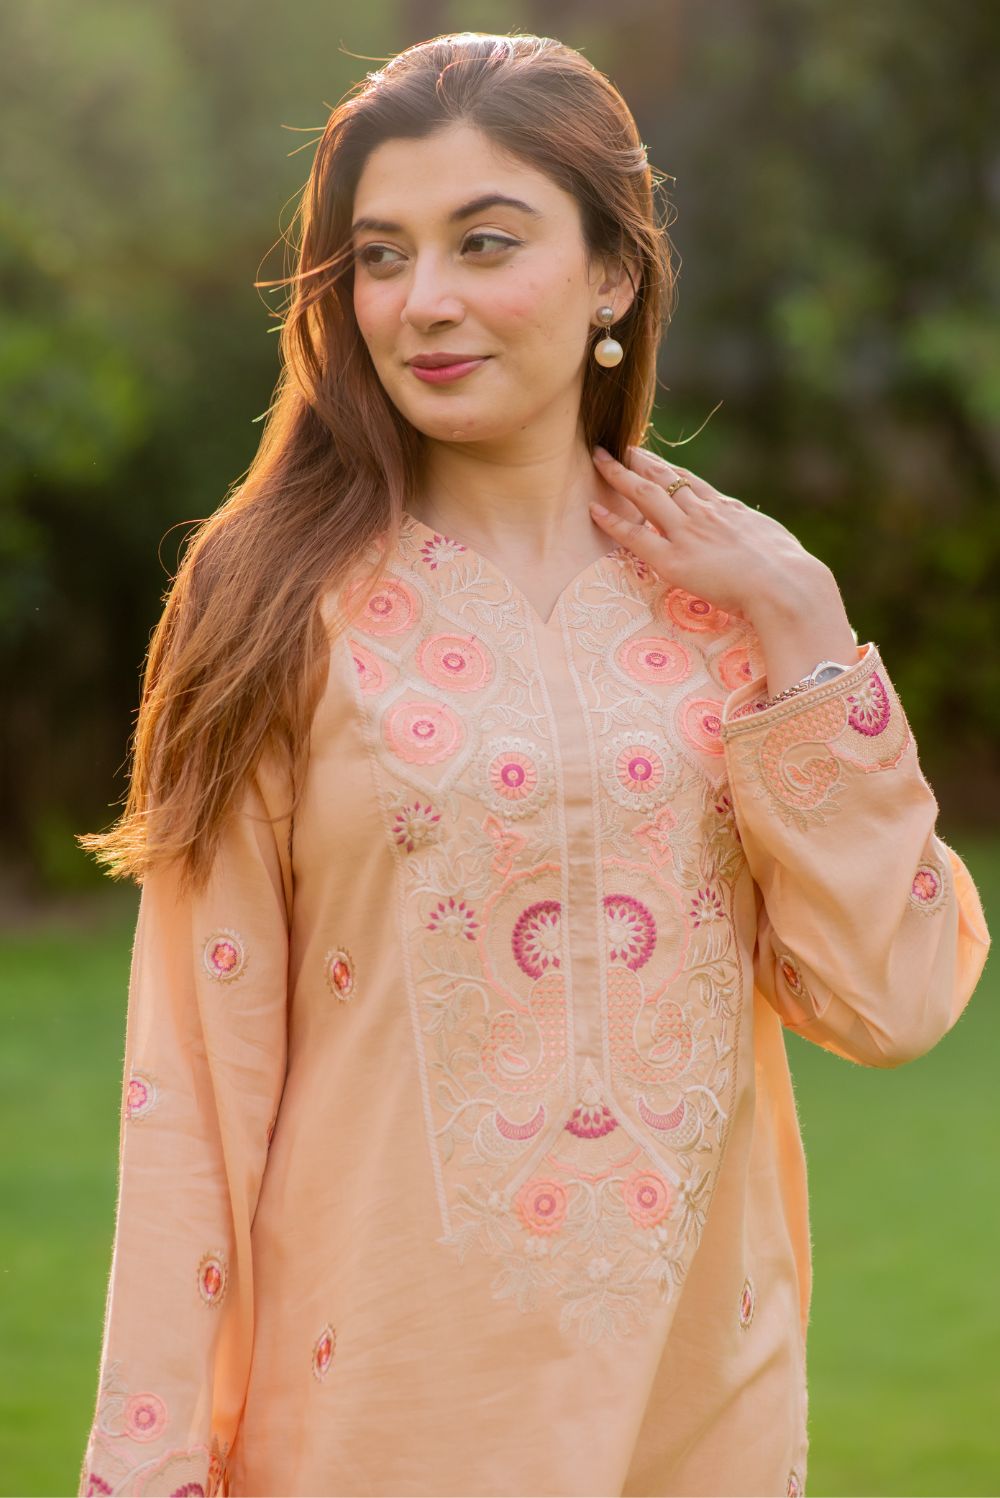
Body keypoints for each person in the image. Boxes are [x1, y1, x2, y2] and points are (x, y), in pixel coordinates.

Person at [75, 31, 990, 1498]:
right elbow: (190, 1069)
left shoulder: (729, 607)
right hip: (382, 1411)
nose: (423, 301)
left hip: (701, 1410)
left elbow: (892, 997)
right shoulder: (271, 598)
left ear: (613, 272)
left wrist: (810, 631)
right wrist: (154, 1453)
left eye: (484, 242)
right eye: (382, 256)